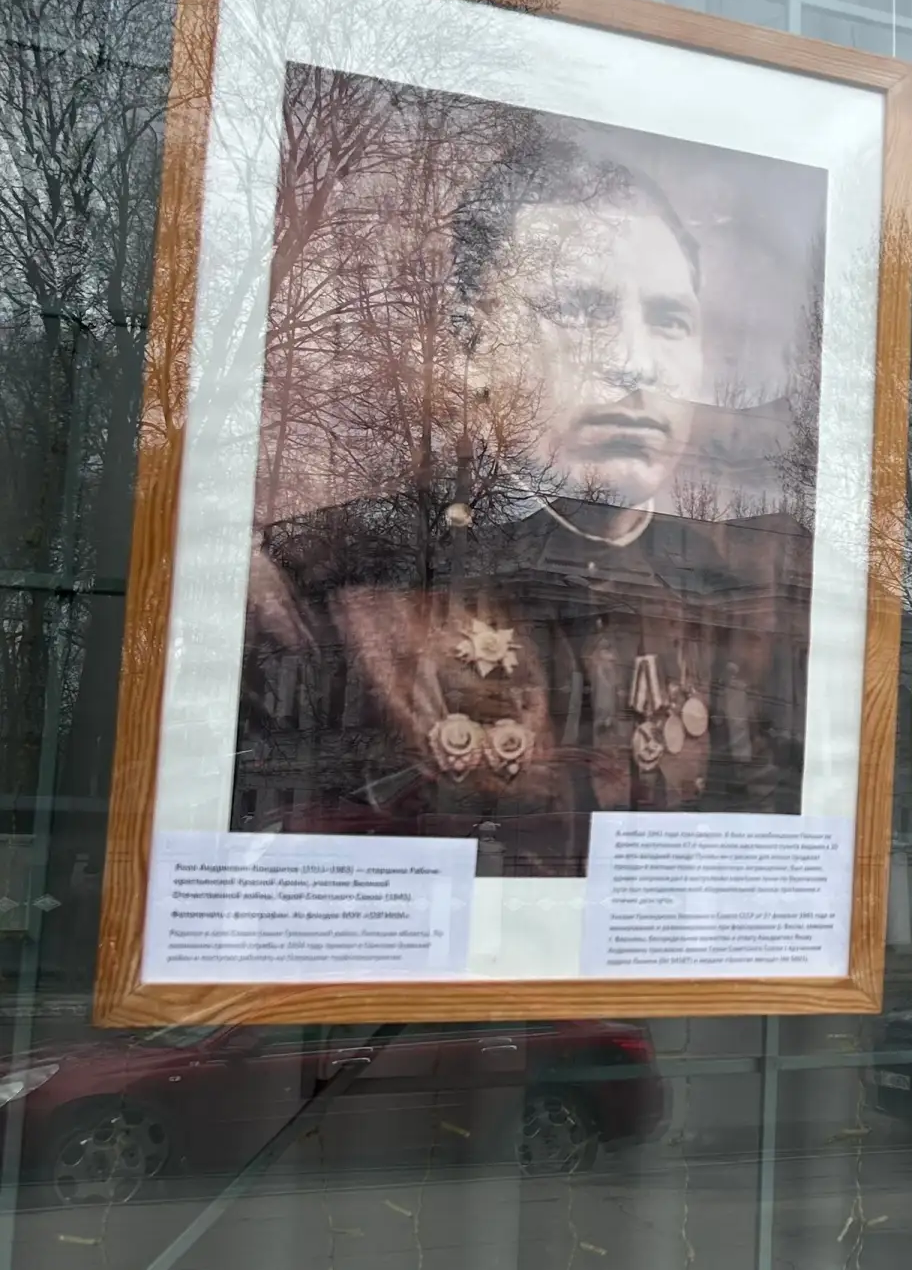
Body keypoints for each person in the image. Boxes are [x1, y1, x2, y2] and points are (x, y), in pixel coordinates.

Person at [236, 154, 805, 875]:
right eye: (581, 309)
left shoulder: (746, 596)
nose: (634, 361)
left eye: (669, 320)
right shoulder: (345, 584)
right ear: (472, 345)